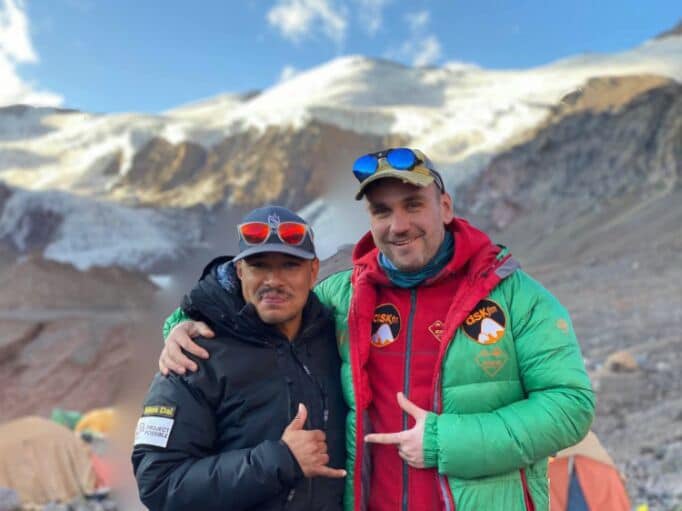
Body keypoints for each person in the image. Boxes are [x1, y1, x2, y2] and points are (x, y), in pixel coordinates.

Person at [159, 148, 595, 511]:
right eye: (382, 211)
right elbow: (260, 307)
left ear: (445, 207)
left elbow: (570, 406)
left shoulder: (514, 295)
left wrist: (446, 441)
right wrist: (182, 326)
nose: (398, 225)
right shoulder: (341, 296)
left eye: (413, 205)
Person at [132, 206, 347, 511]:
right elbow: (158, 483)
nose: (273, 280)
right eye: (259, 266)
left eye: (290, 265)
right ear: (239, 271)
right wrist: (280, 459)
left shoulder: (336, 338)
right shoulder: (194, 357)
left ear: (313, 272)